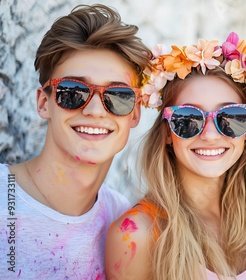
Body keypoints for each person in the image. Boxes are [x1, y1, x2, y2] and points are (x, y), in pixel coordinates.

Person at [0, 4, 151, 279]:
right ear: (44, 102)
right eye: (73, 91)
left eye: (118, 96)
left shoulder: (123, 222)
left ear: (135, 113)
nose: (95, 110)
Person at [105, 32, 246, 280]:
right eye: (188, 119)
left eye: (232, 117)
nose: (211, 135)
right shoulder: (137, 234)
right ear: (168, 133)